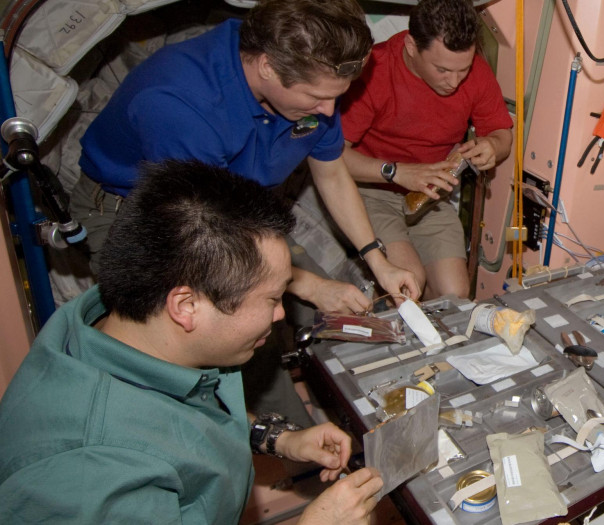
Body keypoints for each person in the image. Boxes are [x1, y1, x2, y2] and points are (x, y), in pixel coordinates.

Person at [0, 160, 384, 524]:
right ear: (186, 306)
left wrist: (279, 439)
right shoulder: (92, 476)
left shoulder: (116, 319)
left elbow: (185, 420)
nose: (281, 313)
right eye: (270, 299)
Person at [72, 0, 420, 308]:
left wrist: (378, 260)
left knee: (280, 322)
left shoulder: (315, 73)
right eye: (316, 98)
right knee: (213, 325)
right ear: (267, 67)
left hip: (237, 206)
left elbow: (330, 171)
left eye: (335, 97)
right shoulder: (181, 106)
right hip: (150, 215)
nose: (329, 111)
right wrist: (308, 286)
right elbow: (208, 230)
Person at [340, 0, 513, 299]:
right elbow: (332, 157)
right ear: (411, 46)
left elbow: (502, 135)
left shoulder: (474, 73)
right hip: (371, 191)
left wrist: (492, 146)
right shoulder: (373, 72)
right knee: (409, 284)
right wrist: (397, 172)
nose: (455, 82)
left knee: (454, 294)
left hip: (430, 196)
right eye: (443, 70)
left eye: (463, 69)